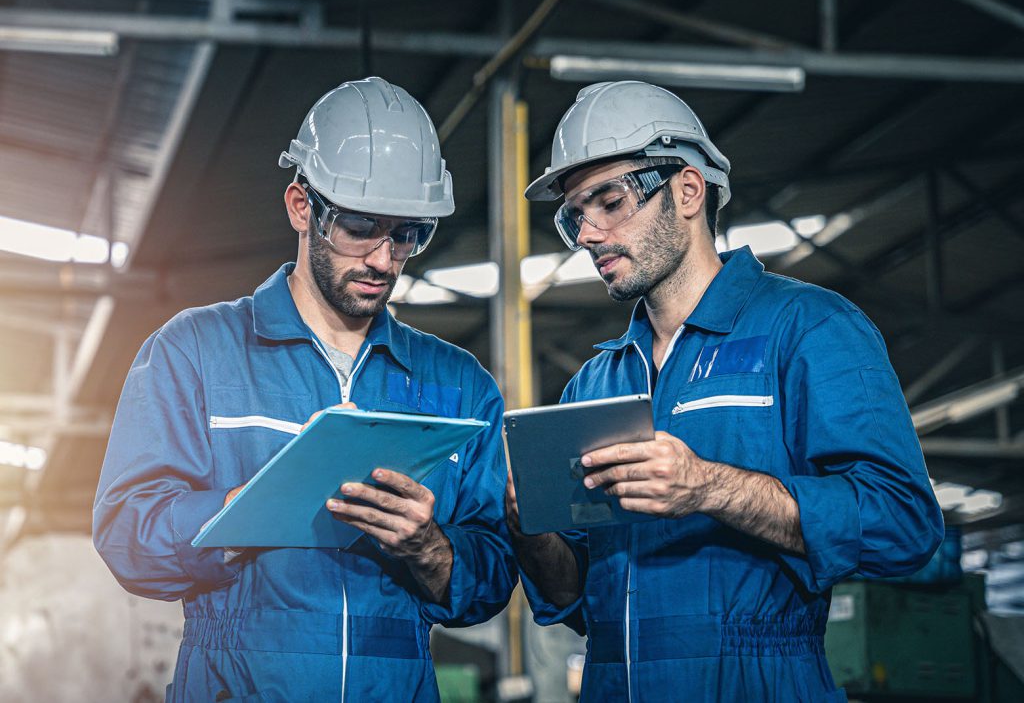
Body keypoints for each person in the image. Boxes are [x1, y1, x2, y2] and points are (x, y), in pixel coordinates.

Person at [506, 80, 944, 702]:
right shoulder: (596, 382)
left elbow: (903, 525)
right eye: (575, 214)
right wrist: (530, 529)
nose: (588, 235)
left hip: (761, 682)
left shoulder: (810, 328)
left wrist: (709, 486)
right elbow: (574, 598)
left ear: (687, 190)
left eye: (609, 202)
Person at [93, 77, 517, 702]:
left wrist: (429, 547)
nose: (383, 258)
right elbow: (128, 537)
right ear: (301, 207)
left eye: (406, 234)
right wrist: (245, 510)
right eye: (361, 226)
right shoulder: (195, 353)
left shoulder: (460, 385)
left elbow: (490, 578)